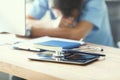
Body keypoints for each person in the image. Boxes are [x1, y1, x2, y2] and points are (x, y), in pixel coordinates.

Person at [11, 0, 113, 80]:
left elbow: (76, 35)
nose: (69, 21)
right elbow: (24, 22)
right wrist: (52, 24)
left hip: (98, 56)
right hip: (60, 52)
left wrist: (30, 32)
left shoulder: (96, 2)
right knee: (20, 73)